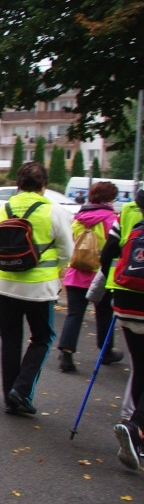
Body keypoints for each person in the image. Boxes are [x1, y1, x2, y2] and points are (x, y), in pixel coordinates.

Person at [0, 161, 73, 416]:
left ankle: (9, 397)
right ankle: (22, 389)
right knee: (42, 338)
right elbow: (67, 251)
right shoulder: (53, 211)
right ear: (44, 185)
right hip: (39, 288)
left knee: (11, 341)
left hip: (5, 285)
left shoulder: (4, 209)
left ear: (18, 184)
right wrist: (54, 268)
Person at [97, 188, 144, 470]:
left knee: (140, 366)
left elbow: (107, 255)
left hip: (125, 302)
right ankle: (136, 427)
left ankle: (136, 434)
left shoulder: (130, 220)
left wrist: (113, 282)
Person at [57, 181, 121, 372]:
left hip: (76, 273)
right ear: (109, 199)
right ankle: (106, 351)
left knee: (74, 315)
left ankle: (66, 354)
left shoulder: (78, 218)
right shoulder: (112, 219)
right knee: (104, 314)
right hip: (100, 274)